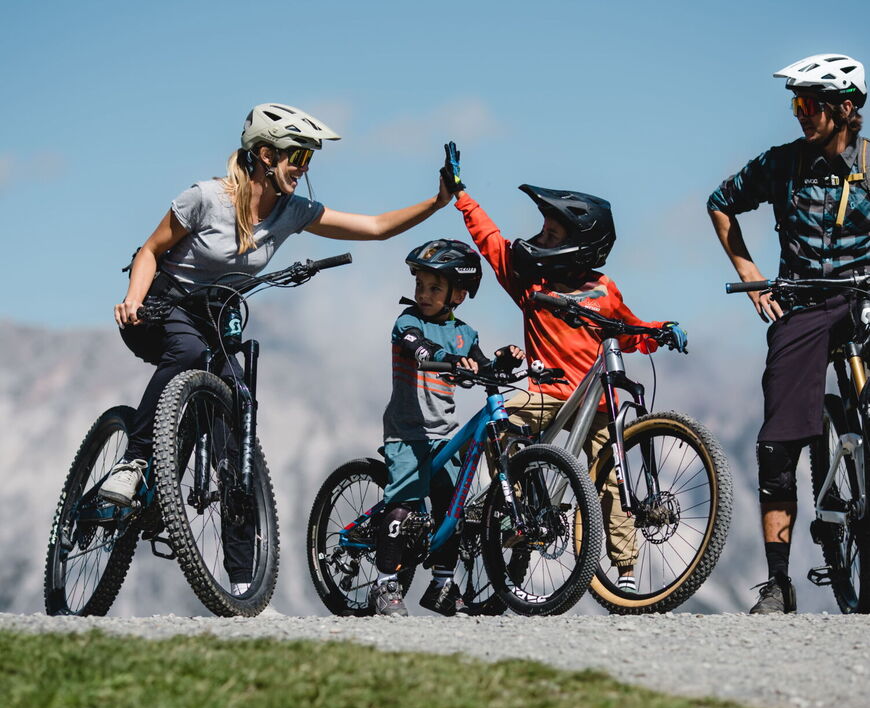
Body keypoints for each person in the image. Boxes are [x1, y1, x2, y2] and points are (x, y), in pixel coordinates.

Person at [99, 103, 452, 593]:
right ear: (264, 154)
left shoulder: (291, 213)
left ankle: (241, 578)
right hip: (161, 307)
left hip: (214, 320)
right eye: (297, 156)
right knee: (186, 356)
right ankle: (135, 462)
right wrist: (133, 299)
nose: (304, 168)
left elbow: (372, 227)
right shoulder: (205, 198)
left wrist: (436, 203)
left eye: (309, 159)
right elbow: (150, 251)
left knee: (237, 415)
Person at [440, 143, 688, 593]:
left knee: (612, 480)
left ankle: (626, 573)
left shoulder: (602, 290)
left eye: (551, 235)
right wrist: (462, 194)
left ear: (578, 246)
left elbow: (628, 331)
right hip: (546, 396)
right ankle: (511, 499)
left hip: (594, 406)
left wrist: (662, 329)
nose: (540, 239)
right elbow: (492, 242)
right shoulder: (529, 283)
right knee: (501, 425)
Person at [708, 54, 869, 614]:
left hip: (864, 296)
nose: (799, 114)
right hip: (801, 301)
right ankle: (779, 584)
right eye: (795, 104)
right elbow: (721, 203)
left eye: (809, 104)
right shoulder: (782, 165)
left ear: (846, 109)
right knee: (776, 444)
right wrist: (752, 278)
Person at [371, 239, 524, 616]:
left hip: (444, 435)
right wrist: (442, 357)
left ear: (459, 294)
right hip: (407, 432)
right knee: (403, 509)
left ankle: (442, 584)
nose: (423, 294)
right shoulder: (408, 322)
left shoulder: (465, 334)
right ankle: (385, 583)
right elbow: (417, 346)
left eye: (434, 288)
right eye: (420, 285)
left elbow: (480, 364)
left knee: (450, 511)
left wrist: (502, 360)